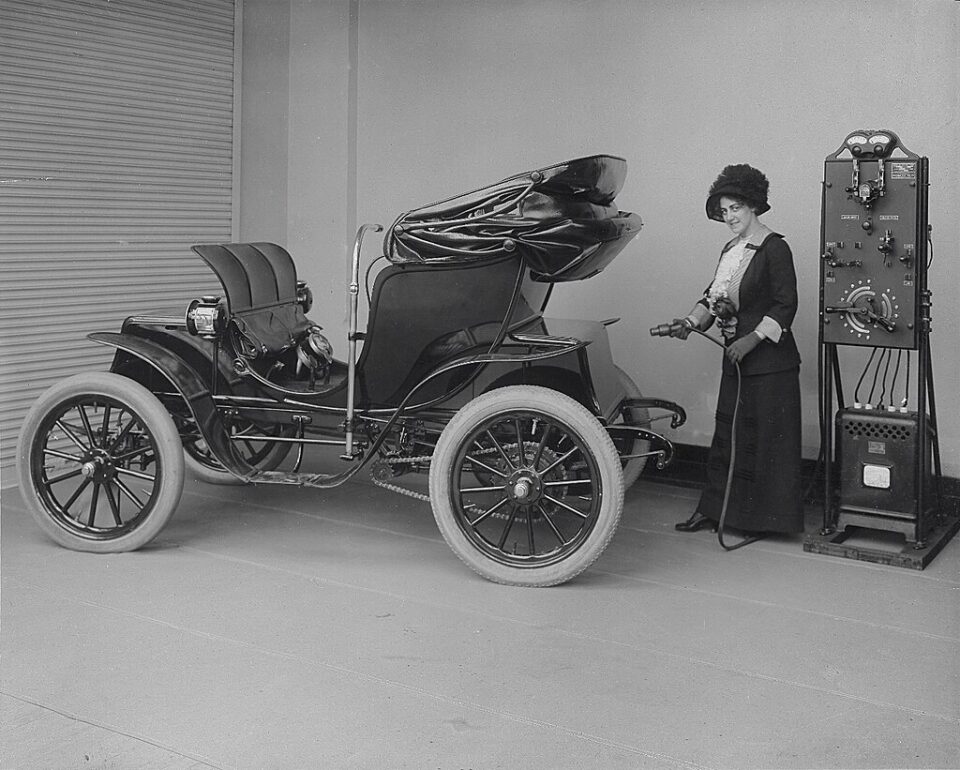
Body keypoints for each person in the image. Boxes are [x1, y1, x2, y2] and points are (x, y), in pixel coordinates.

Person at [668, 164, 803, 536]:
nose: (729, 217)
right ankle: (715, 511)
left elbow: (785, 305)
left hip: (770, 365)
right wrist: (690, 323)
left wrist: (752, 339)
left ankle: (760, 521)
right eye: (724, 211)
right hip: (736, 362)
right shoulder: (731, 250)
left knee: (762, 441)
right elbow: (713, 297)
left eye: (735, 209)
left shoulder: (775, 248)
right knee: (726, 437)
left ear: (753, 207)